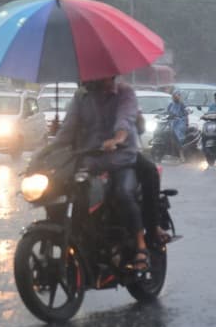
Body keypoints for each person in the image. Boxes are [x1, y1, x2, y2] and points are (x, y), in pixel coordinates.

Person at [53, 76, 151, 271]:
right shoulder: (80, 99)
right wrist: (47, 152)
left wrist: (117, 138)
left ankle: (141, 245)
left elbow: (125, 118)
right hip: (90, 161)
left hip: (122, 159)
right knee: (67, 194)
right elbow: (67, 130)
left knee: (122, 193)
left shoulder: (125, 93)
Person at [166, 90, 189, 158]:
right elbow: (167, 113)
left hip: (180, 122)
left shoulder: (182, 104)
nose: (175, 97)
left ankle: (181, 153)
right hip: (172, 122)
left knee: (179, 137)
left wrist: (186, 123)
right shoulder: (170, 104)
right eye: (174, 96)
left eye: (177, 96)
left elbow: (186, 114)